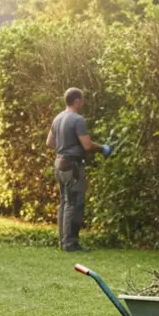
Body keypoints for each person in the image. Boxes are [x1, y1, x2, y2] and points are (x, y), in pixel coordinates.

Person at [46, 87, 109, 252]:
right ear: (76, 101)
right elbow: (87, 146)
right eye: (82, 100)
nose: (83, 103)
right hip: (72, 165)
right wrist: (103, 148)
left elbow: (49, 143)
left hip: (59, 163)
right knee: (74, 203)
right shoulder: (77, 119)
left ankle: (64, 242)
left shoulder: (58, 118)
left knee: (64, 202)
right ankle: (71, 244)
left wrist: (64, 146)